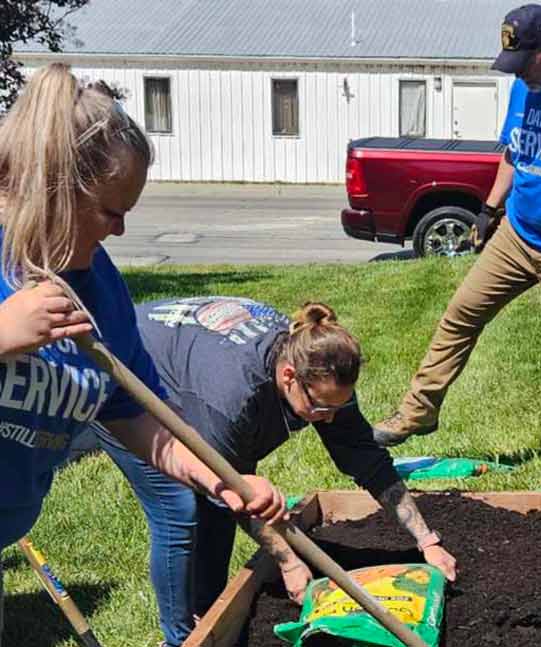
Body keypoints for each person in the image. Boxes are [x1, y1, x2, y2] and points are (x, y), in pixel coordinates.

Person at [0, 64, 285, 643]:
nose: (122, 230)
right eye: (110, 211)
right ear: (55, 185)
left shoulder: (98, 285)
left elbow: (132, 416)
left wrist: (219, 480)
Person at [372, 3, 541, 475]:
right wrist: (489, 209)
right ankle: (418, 411)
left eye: (527, 64)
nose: (520, 77)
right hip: (519, 236)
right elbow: (513, 154)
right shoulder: (528, 86)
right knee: (461, 314)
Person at [96, 296, 458, 646]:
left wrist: (426, 540)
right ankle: (182, 638)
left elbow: (367, 459)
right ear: (288, 377)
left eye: (338, 406)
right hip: (125, 375)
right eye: (319, 408)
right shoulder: (233, 399)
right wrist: (288, 561)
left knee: (217, 506)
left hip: (190, 361)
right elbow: (233, 492)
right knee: (179, 510)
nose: (330, 418)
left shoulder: (321, 370)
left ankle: (209, 615)